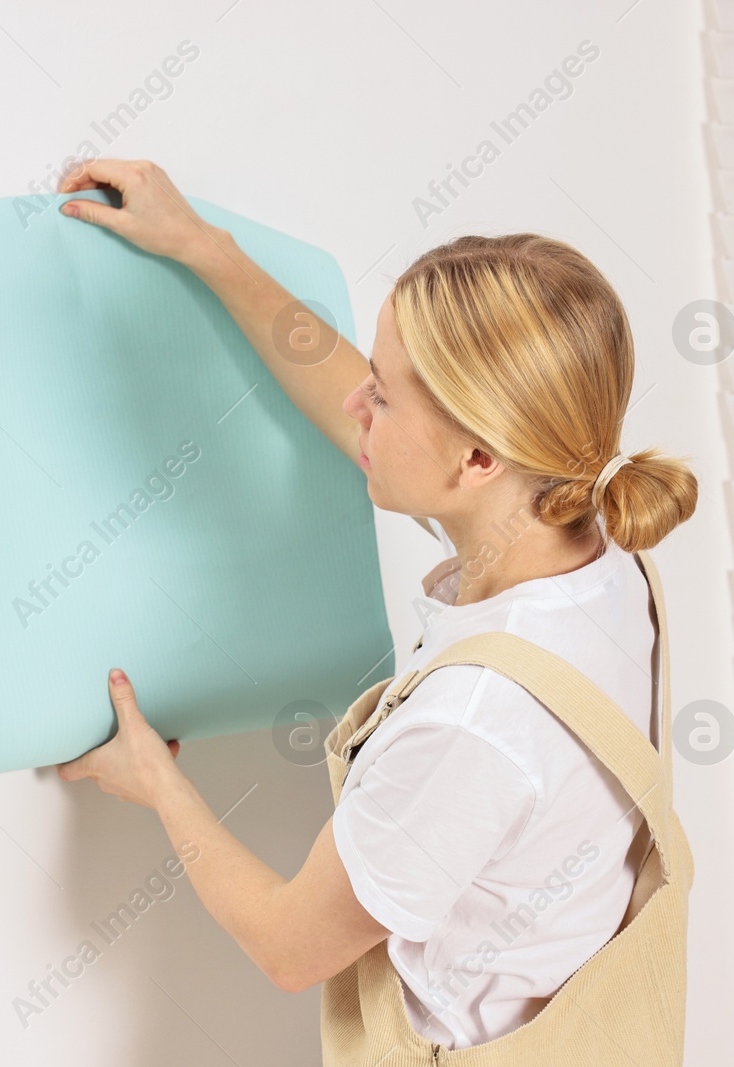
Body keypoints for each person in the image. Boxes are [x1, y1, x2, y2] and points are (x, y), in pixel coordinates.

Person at [54, 159, 698, 1055]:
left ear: (479, 459)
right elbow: (352, 399)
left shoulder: (473, 723)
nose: (360, 397)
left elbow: (289, 944)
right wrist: (205, 248)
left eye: (385, 394)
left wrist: (155, 781)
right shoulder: (587, 544)